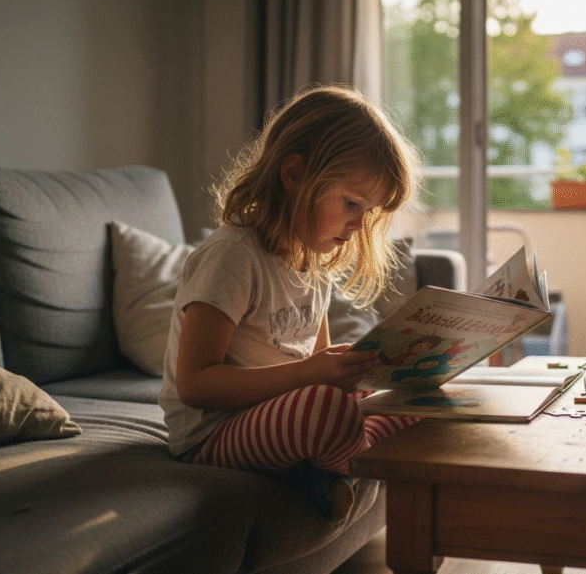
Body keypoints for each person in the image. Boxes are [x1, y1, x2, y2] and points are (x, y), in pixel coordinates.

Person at [158, 85, 421, 523]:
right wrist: (313, 377)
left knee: (421, 403)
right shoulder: (233, 256)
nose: (358, 223)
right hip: (214, 432)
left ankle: (338, 464)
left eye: (368, 211)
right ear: (295, 174)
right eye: (351, 202)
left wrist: (365, 375)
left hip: (281, 418)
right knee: (327, 411)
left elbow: (319, 365)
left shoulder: (311, 262)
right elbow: (195, 385)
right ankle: (340, 467)